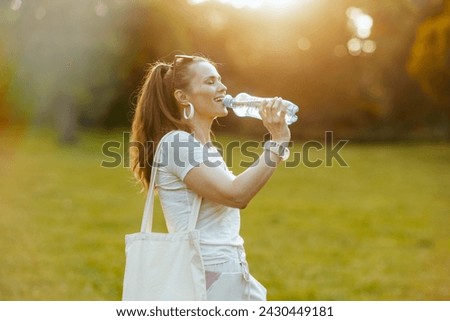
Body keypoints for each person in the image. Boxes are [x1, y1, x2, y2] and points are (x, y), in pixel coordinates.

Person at [130, 54, 291, 300]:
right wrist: (277, 142)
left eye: (220, 80)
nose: (223, 87)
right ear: (183, 97)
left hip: (226, 270)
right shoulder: (177, 144)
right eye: (210, 81)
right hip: (206, 275)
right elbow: (236, 194)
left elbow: (237, 190)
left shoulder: (204, 148)